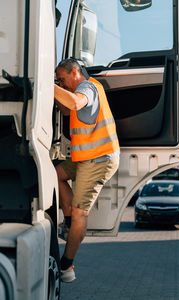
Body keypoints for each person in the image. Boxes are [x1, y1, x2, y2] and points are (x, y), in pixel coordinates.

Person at [54, 58, 120, 283]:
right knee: (56, 176)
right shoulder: (76, 89)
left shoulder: (87, 87)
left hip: (98, 159)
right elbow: (66, 108)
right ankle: (70, 222)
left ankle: (67, 265)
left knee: (81, 211)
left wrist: (44, 84)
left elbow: (74, 103)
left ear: (75, 73)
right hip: (86, 157)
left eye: (62, 80)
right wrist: (54, 92)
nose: (61, 84)